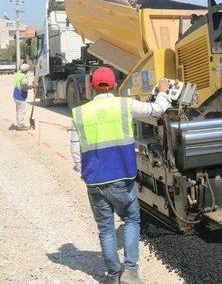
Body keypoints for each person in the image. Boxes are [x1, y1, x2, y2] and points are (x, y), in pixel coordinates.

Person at [69, 66, 171, 284]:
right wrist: (163, 90)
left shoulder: (79, 113)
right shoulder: (125, 105)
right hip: (122, 179)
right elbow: (157, 109)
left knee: (105, 229)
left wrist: (82, 171)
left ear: (92, 86)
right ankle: (131, 272)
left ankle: (113, 275)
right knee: (131, 219)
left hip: (95, 181)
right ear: (114, 85)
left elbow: (75, 148)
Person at [12, 62, 36, 130]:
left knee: (18, 111)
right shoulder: (23, 77)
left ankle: (19, 123)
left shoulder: (18, 73)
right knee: (21, 111)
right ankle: (20, 125)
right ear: (26, 70)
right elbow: (24, 87)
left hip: (15, 94)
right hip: (20, 95)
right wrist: (33, 86)